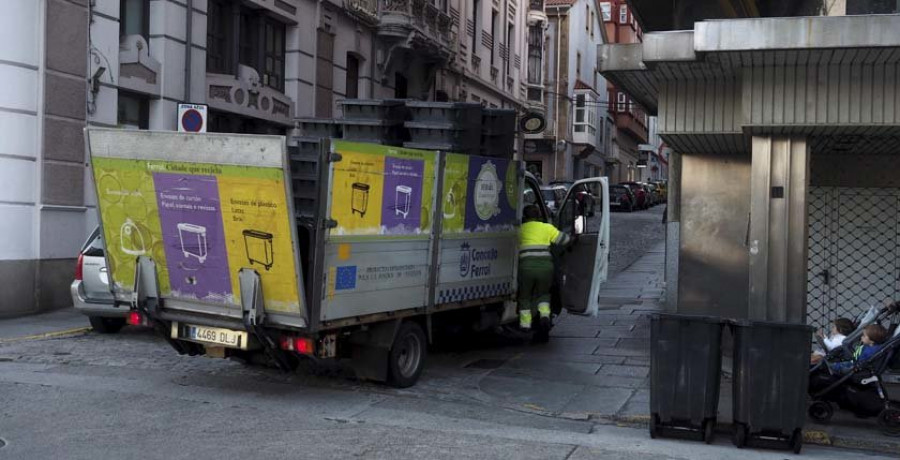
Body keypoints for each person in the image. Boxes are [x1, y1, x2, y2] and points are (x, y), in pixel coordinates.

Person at [517, 204, 573, 330]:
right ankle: (545, 316)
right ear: (538, 216)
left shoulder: (520, 229)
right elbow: (564, 240)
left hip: (526, 268)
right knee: (543, 294)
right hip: (545, 268)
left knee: (525, 296)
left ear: (525, 217)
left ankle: (525, 324)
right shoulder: (547, 228)